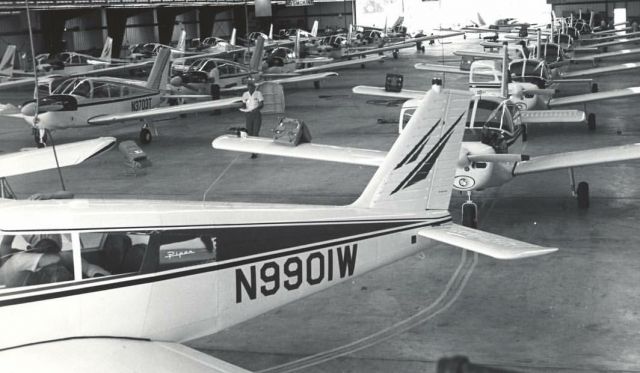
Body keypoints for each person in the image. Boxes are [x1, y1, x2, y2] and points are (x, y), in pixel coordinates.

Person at [241, 78, 264, 159]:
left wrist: (256, 109)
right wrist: (243, 108)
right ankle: (252, 149)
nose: (250, 87)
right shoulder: (245, 94)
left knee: (255, 133)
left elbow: (261, 104)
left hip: (256, 114)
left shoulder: (258, 94)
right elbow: (243, 104)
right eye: (249, 86)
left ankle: (255, 151)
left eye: (252, 86)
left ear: (254, 87)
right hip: (248, 115)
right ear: (247, 87)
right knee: (250, 133)